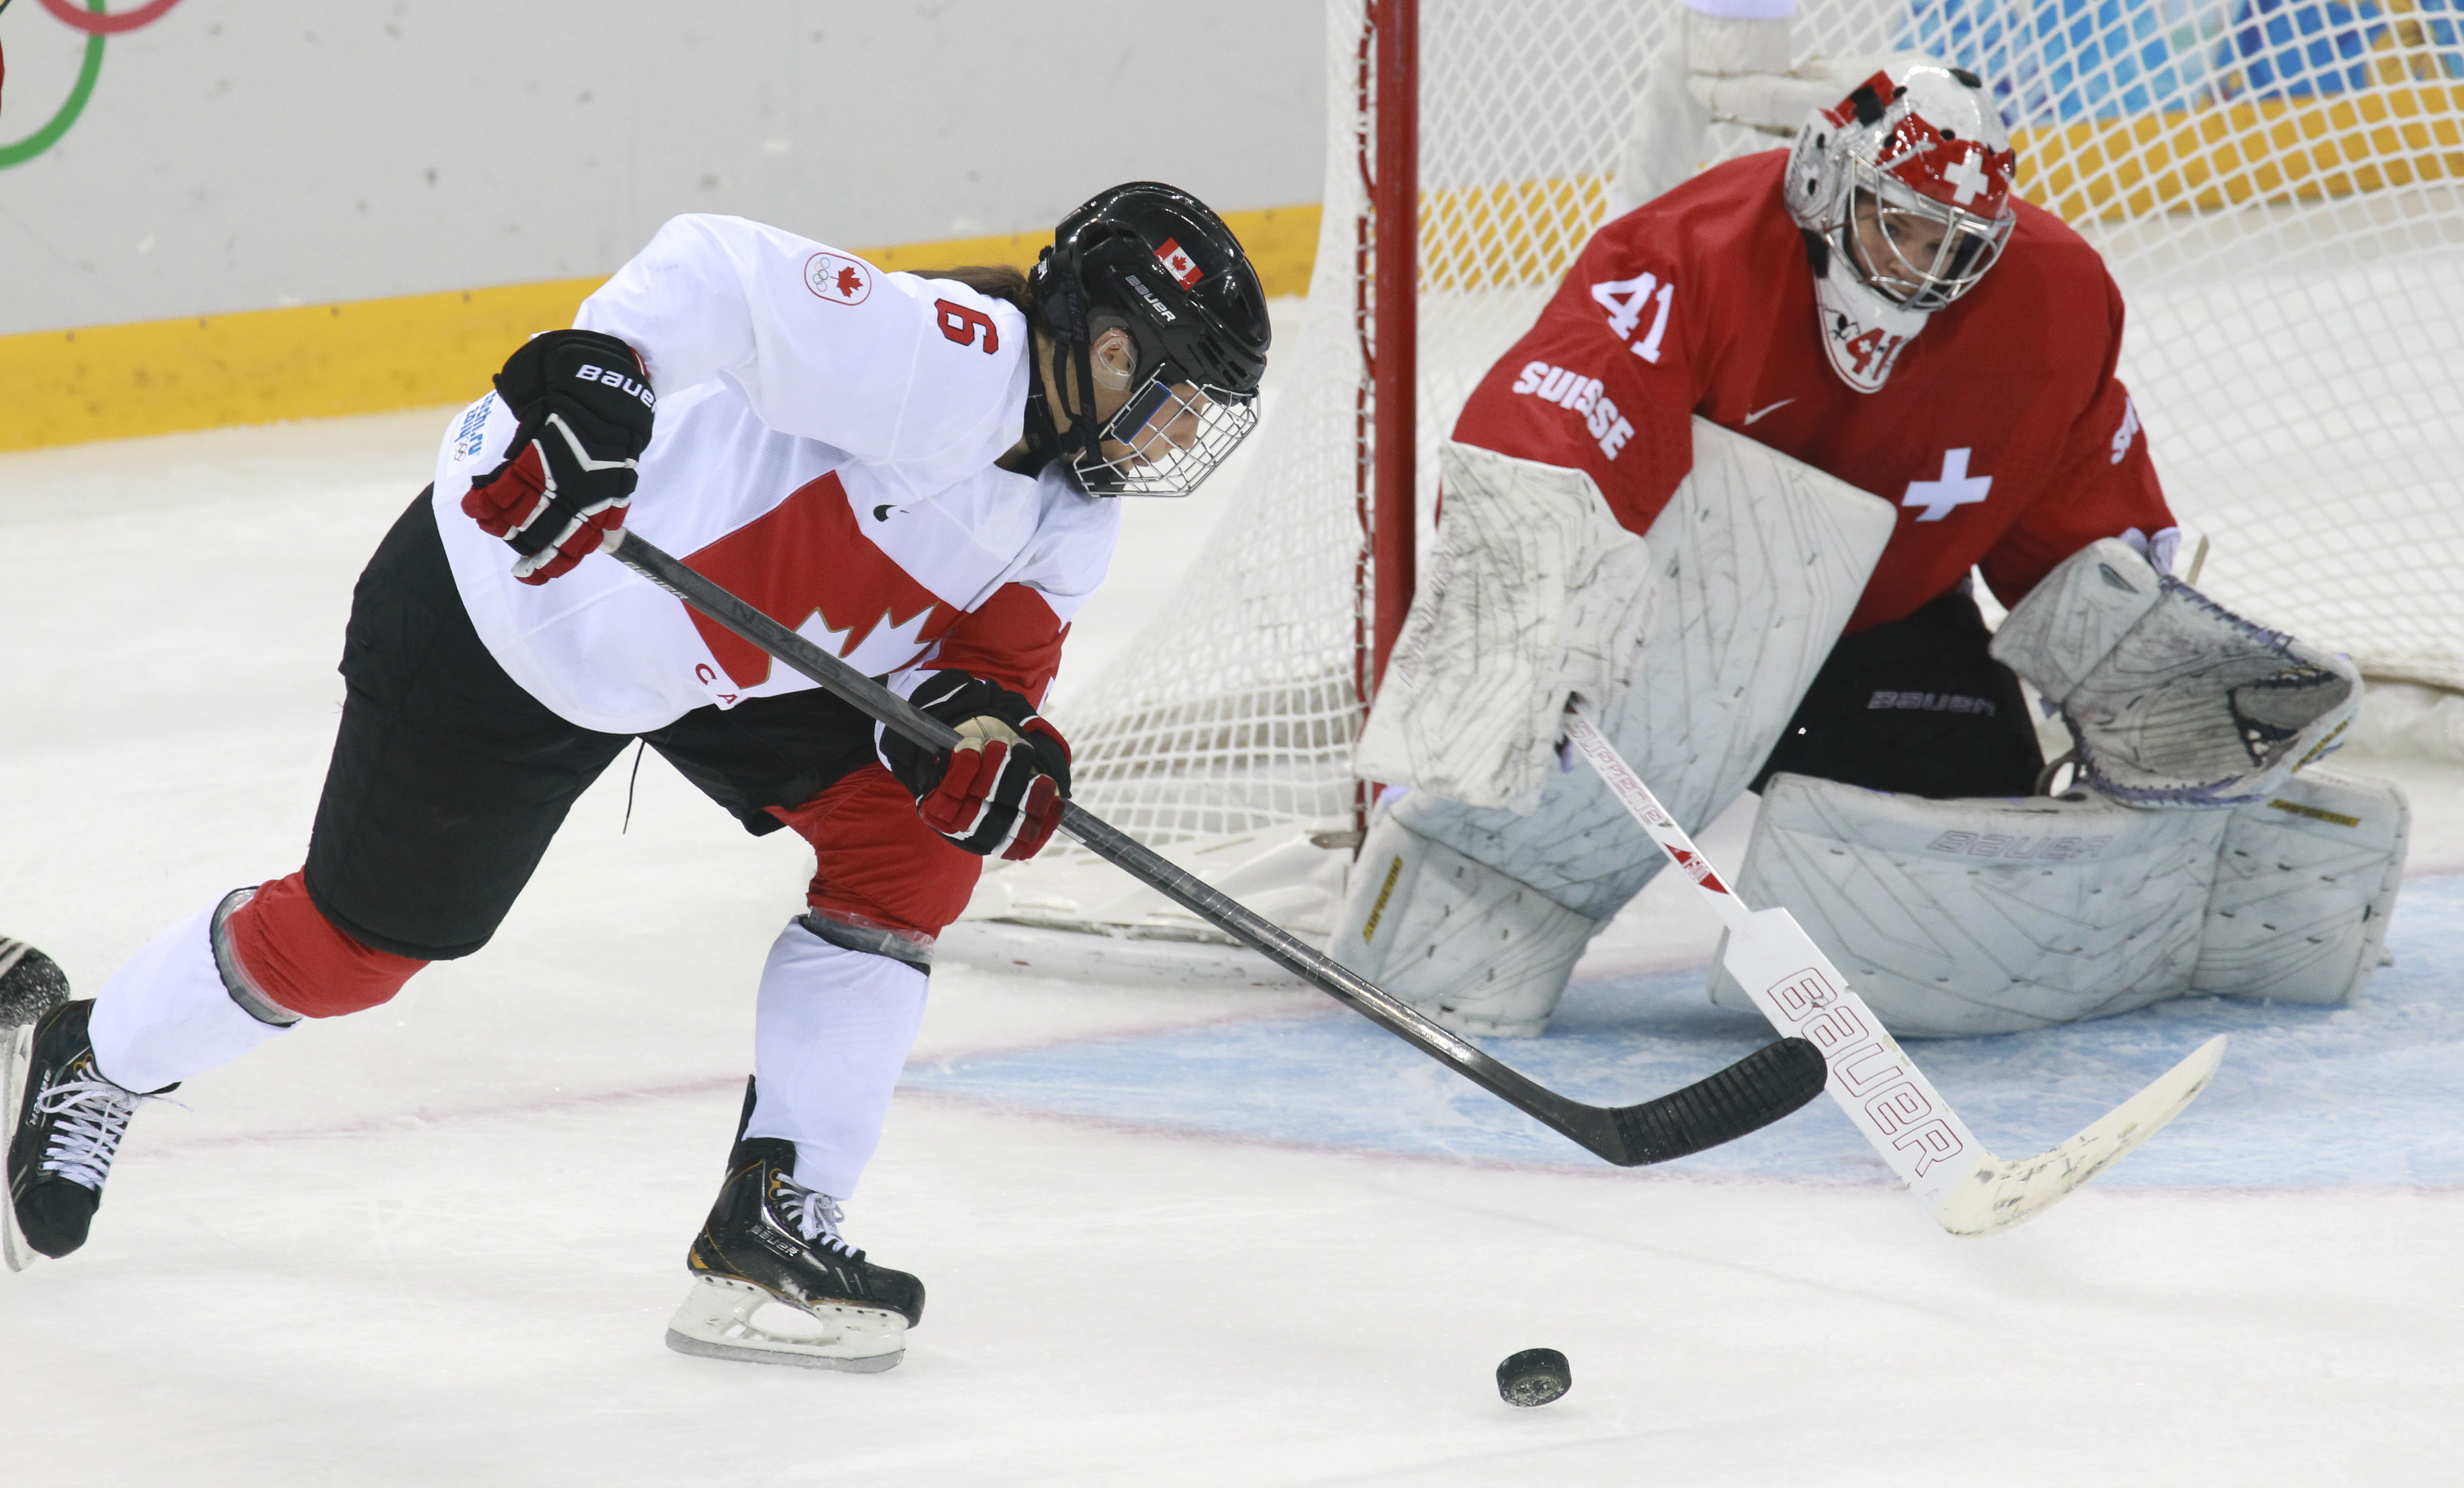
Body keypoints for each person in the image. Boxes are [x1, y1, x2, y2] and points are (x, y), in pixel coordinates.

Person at [3, 182, 1270, 1372]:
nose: (1164, 429)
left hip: (725, 665)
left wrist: (991, 758)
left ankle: (776, 1212)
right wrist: (597, 386)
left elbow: (978, 687)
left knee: (917, 845)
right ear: (1079, 325)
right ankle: (96, 1053)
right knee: (359, 949)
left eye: (1190, 411)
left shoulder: (1072, 520)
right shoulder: (948, 356)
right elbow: (710, 270)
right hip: (522, 589)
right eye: (1149, 380)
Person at [1337, 43, 2392, 1042]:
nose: (1922, 273)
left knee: (1976, 865)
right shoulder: (1691, 252)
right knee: (1462, 934)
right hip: (1675, 628)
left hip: (1884, 623)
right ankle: (1453, 878)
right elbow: (1561, 427)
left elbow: (2074, 512)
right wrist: (1533, 610)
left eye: (1955, 247)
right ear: (1821, 186)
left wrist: (2137, 661)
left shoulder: (2054, 300)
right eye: (1900, 228)